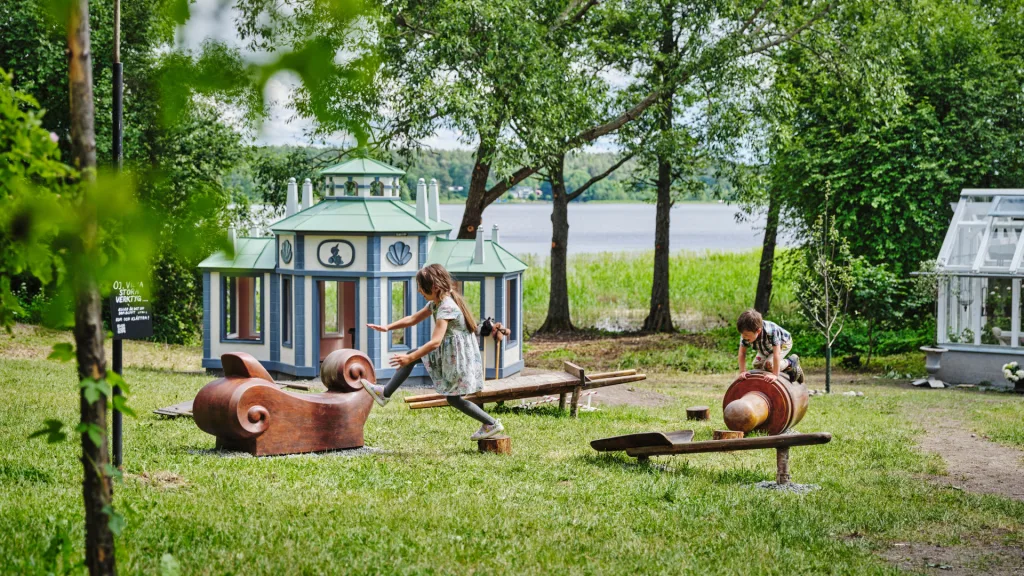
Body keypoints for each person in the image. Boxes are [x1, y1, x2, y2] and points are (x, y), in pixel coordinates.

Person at [362, 264, 506, 440]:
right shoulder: (437, 303)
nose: (419, 291)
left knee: (453, 398)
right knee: (452, 397)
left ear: (435, 287)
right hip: (452, 354)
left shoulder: (446, 307)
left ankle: (491, 423)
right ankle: (384, 393)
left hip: (457, 358)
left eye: (421, 287)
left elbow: (435, 342)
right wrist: (387, 327)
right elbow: (413, 318)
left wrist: (410, 357)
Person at [736, 308, 804, 383]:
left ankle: (791, 361)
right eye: (742, 334)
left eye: (746, 334)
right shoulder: (745, 334)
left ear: (758, 331)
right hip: (765, 348)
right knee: (757, 365)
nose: (743, 336)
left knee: (770, 365)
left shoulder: (771, 331)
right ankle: (789, 371)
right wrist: (742, 371)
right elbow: (742, 353)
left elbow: (776, 353)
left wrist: (775, 374)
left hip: (782, 344)